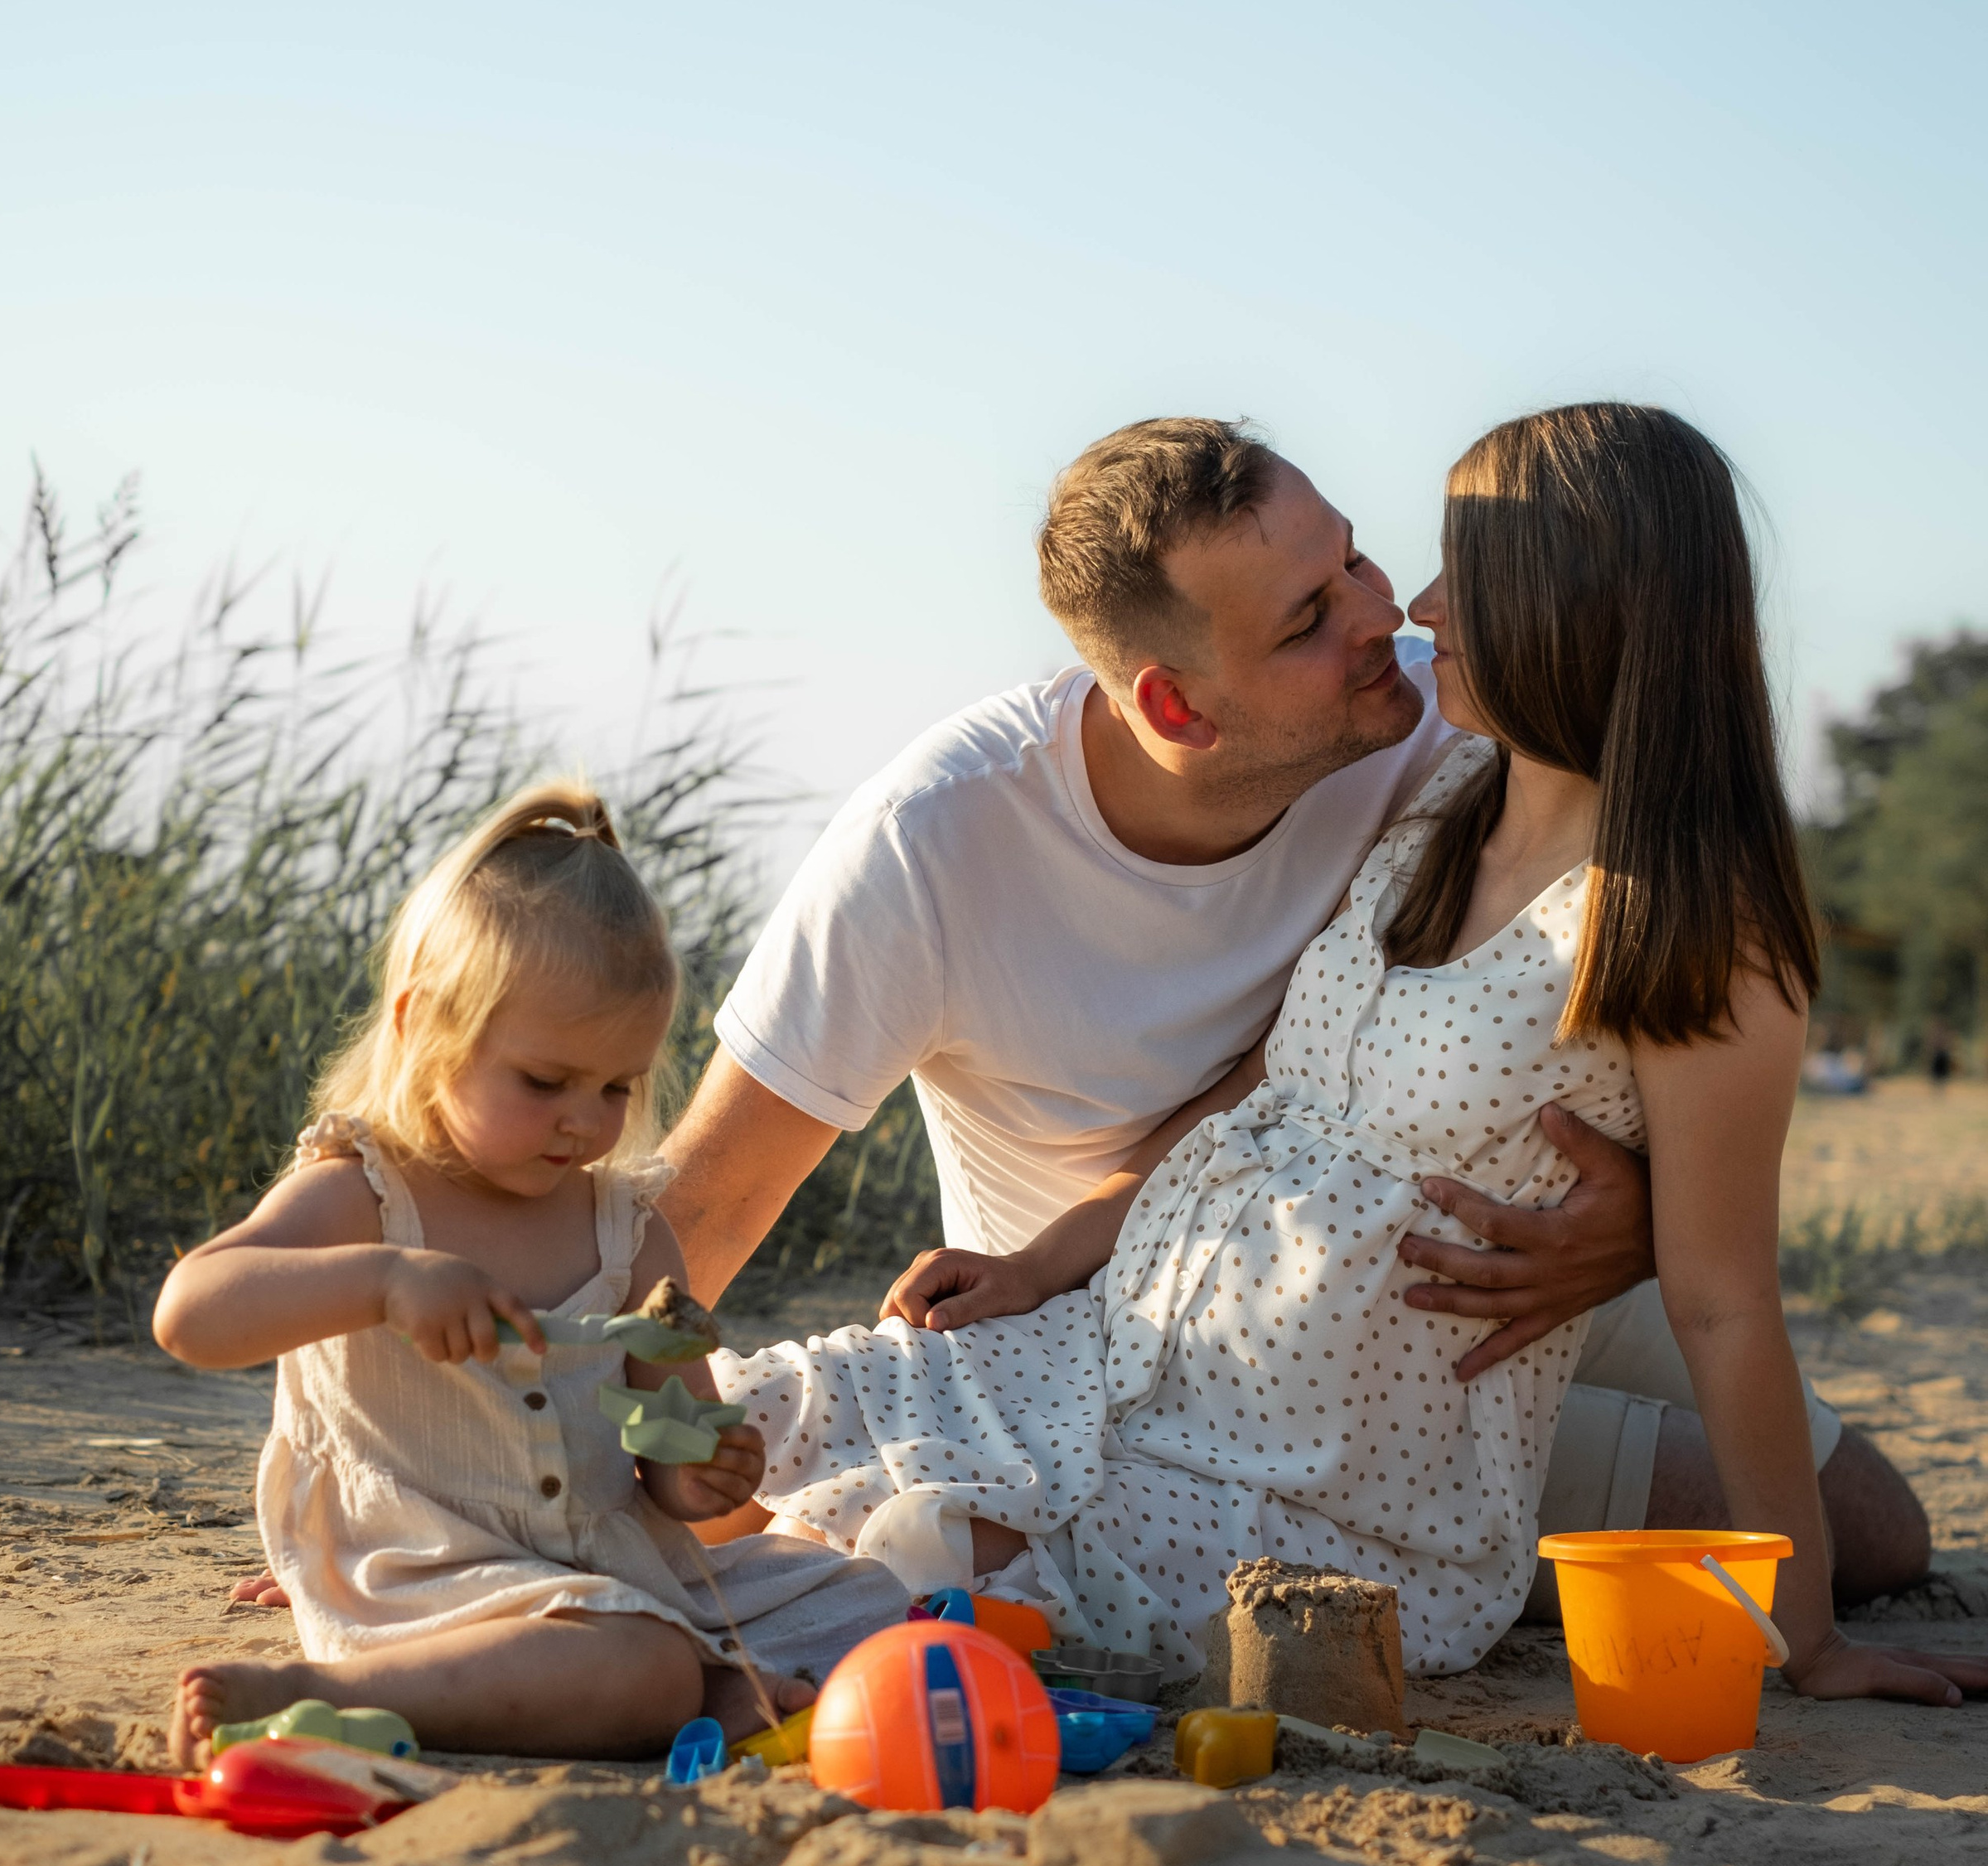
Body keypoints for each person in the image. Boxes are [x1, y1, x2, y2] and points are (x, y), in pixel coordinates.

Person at [708, 405, 1985, 1704]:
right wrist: (1044, 1260)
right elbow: (1269, 1091)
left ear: (1579, 610)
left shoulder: (1682, 926)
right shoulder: (1444, 796)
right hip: (1130, 1353)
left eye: (1458, 578)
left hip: (1326, 1481)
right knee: (751, 1422)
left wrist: (1810, 1641)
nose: (1417, 609)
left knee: (887, 1571)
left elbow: (1726, 1300)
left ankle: (578, 1650)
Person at [157, 787, 902, 1766]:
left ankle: (693, 1679)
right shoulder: (366, 1197)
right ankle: (316, 1691)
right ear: (425, 1026)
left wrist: (707, 1469)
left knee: (877, 1604)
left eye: (615, 1089)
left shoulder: (626, 1235)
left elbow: (672, 1457)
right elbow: (191, 1314)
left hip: (609, 1570)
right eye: (546, 1083)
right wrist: (383, 1283)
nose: (585, 1121)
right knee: (642, 1668)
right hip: (425, 1578)